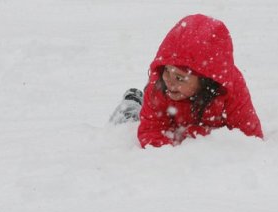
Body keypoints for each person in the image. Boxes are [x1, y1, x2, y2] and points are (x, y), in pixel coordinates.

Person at [109, 14, 263, 148]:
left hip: (188, 126)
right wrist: (176, 157)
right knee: (128, 123)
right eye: (167, 71)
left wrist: (196, 136)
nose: (170, 81)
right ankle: (132, 101)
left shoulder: (230, 88)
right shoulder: (160, 86)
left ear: (205, 80)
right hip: (165, 122)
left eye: (179, 78)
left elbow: (250, 139)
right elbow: (151, 132)